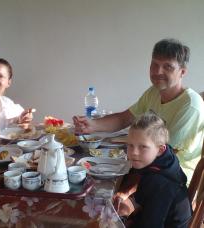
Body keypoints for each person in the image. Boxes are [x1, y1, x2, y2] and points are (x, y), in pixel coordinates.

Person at [73, 38, 204, 183]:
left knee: (101, 187)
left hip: (172, 181)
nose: (158, 71)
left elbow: (165, 154)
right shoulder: (154, 92)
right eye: (155, 64)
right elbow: (125, 118)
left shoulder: (191, 105)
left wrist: (127, 184)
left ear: (182, 72)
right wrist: (92, 125)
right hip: (148, 168)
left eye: (167, 67)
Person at [113, 112, 192, 227]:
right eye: (130, 145)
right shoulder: (164, 161)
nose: (134, 153)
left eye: (143, 146)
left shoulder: (160, 182)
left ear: (160, 149)